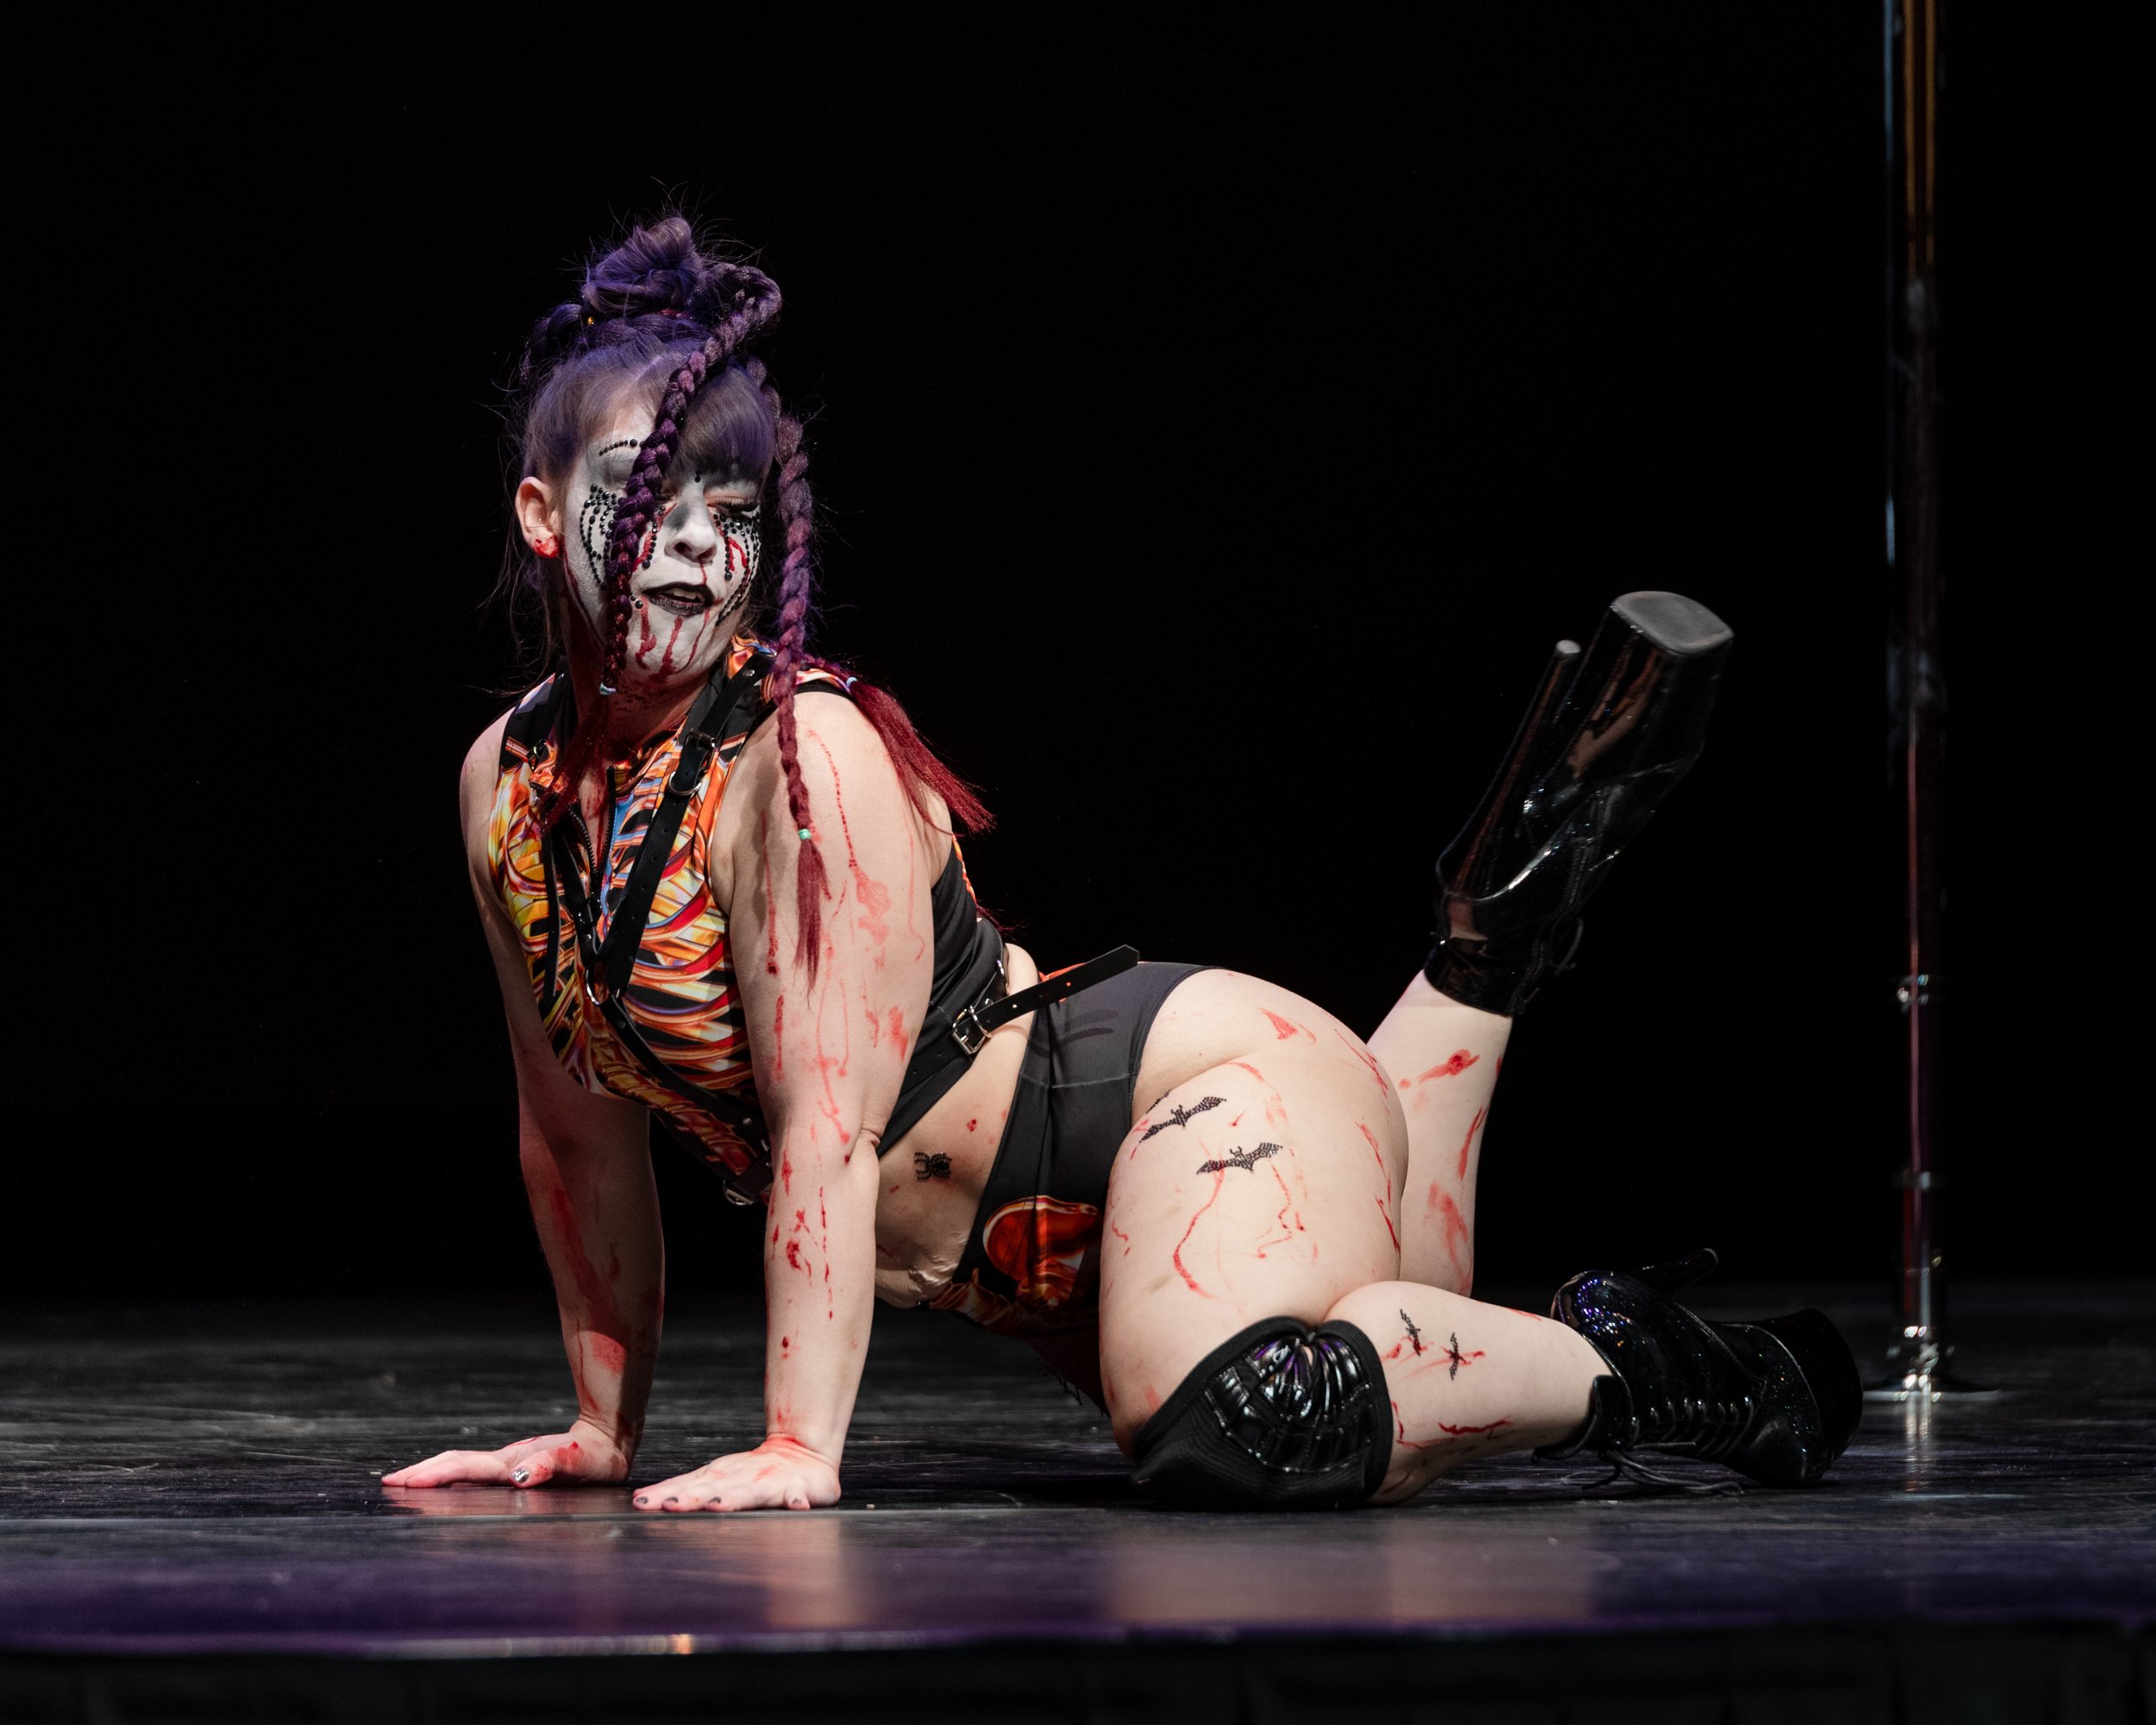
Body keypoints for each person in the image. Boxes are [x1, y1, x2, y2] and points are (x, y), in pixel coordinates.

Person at [383, 217, 1859, 1513]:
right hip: (1071, 1256)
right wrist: (600, 1429)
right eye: (649, 500)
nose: (697, 552)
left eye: (736, 517)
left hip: (1195, 1098)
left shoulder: (797, 756)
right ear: (536, 511)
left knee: (1243, 1418)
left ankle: (1642, 1354)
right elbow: (574, 1137)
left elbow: (826, 1135)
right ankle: (1500, 922)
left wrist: (795, 1445)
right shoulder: (503, 796)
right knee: (1374, 1342)